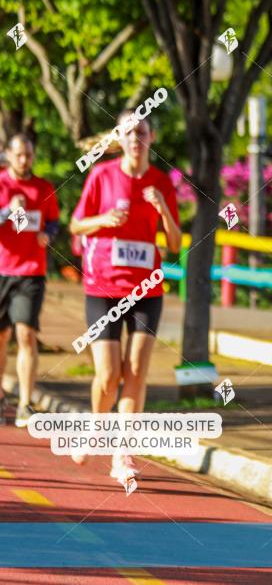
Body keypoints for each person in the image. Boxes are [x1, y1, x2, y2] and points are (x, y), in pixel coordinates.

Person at [69, 111, 181, 486]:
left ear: (151, 138)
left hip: (147, 288)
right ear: (120, 138)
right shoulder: (102, 175)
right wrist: (104, 220)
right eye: (129, 133)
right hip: (103, 287)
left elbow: (177, 244)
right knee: (108, 373)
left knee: (136, 370)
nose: (136, 138)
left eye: (142, 132)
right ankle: (96, 428)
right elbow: (75, 224)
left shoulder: (161, 182)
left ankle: (124, 452)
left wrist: (162, 207)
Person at [0, 134, 60, 427]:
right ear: (8, 155)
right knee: (1, 338)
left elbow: (54, 221)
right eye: (19, 155)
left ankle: (25, 403)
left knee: (25, 335)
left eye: (28, 155)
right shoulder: (1, 184)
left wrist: (49, 233)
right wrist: (7, 211)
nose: (24, 160)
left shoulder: (44, 187)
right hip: (1, 270)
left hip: (31, 272)